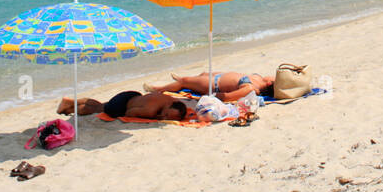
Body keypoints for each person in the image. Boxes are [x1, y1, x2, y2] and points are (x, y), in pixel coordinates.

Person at [145, 71, 275, 104]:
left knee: (184, 82)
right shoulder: (258, 78)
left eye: (274, 79)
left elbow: (226, 97)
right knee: (203, 73)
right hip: (218, 76)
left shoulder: (251, 88)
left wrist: (204, 97)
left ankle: (158, 89)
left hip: (214, 85)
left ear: (269, 84)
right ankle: (182, 81)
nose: (273, 76)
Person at [57, 93, 188, 121]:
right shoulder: (151, 110)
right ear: (169, 107)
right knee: (96, 109)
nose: (164, 117)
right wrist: (156, 117)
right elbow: (130, 113)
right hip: (122, 105)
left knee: (100, 105)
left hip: (132, 95)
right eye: (166, 114)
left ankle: (71, 103)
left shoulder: (171, 100)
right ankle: (71, 107)